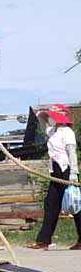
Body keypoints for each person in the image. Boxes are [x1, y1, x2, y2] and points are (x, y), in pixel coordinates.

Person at [27, 104, 81, 250]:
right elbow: (43, 122)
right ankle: (44, 240)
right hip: (55, 171)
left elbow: (71, 152)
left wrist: (73, 173)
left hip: (66, 170)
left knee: (75, 205)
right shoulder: (53, 131)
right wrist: (42, 114)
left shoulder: (67, 132)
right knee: (51, 205)